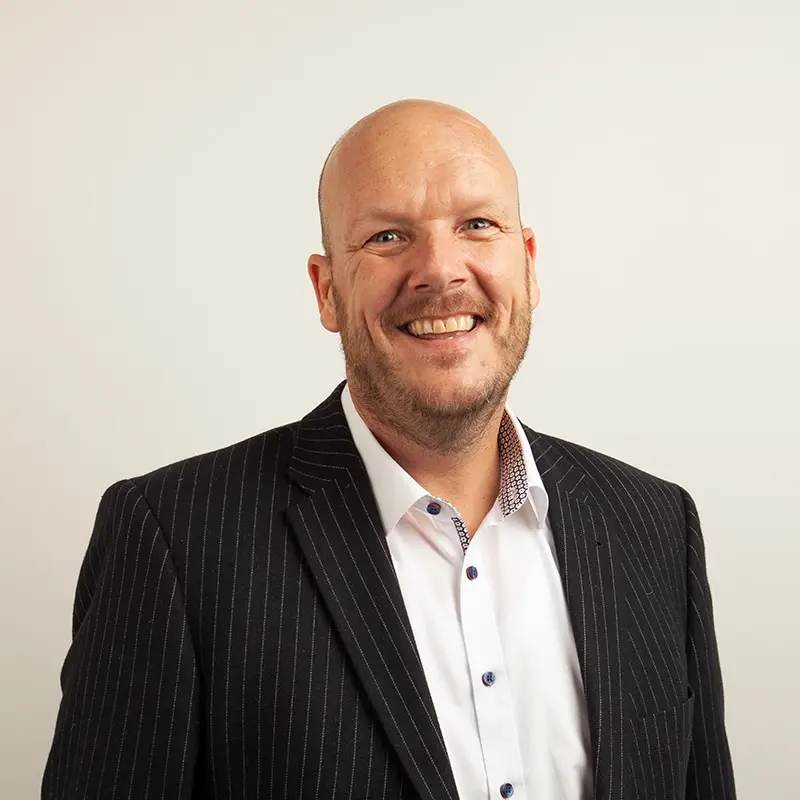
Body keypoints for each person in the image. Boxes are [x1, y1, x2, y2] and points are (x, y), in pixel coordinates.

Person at [42, 99, 736, 800]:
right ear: (327, 292)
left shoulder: (654, 524)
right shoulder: (175, 539)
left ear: (528, 265)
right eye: (387, 236)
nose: (440, 270)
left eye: (477, 225)